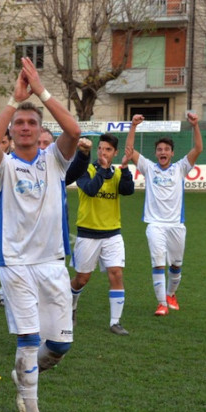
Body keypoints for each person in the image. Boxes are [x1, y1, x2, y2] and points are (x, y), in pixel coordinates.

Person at [0, 57, 81, 412]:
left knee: (59, 346)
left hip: (53, 264)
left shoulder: (55, 161)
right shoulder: (3, 166)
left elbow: (73, 130)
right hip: (16, 265)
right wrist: (14, 100)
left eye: (31, 123)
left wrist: (41, 91)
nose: (25, 128)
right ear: (12, 130)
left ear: (41, 131)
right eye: (19, 124)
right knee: (27, 340)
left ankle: (25, 375)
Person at [125, 113, 203, 315]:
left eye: (166, 149)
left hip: (176, 225)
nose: (163, 152)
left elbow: (198, 149)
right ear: (156, 153)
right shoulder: (149, 168)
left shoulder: (180, 168)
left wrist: (195, 126)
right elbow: (130, 151)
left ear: (172, 153)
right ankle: (161, 303)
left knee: (176, 265)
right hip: (155, 224)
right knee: (158, 262)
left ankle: (170, 294)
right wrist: (133, 126)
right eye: (159, 149)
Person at [69, 134, 134, 335]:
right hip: (87, 234)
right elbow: (89, 189)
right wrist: (103, 171)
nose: (103, 153)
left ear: (115, 153)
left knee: (116, 273)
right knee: (82, 279)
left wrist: (124, 169)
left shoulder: (116, 172)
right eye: (101, 149)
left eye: (108, 150)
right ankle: (70, 307)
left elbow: (128, 190)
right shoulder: (85, 169)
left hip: (112, 233)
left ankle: (115, 321)